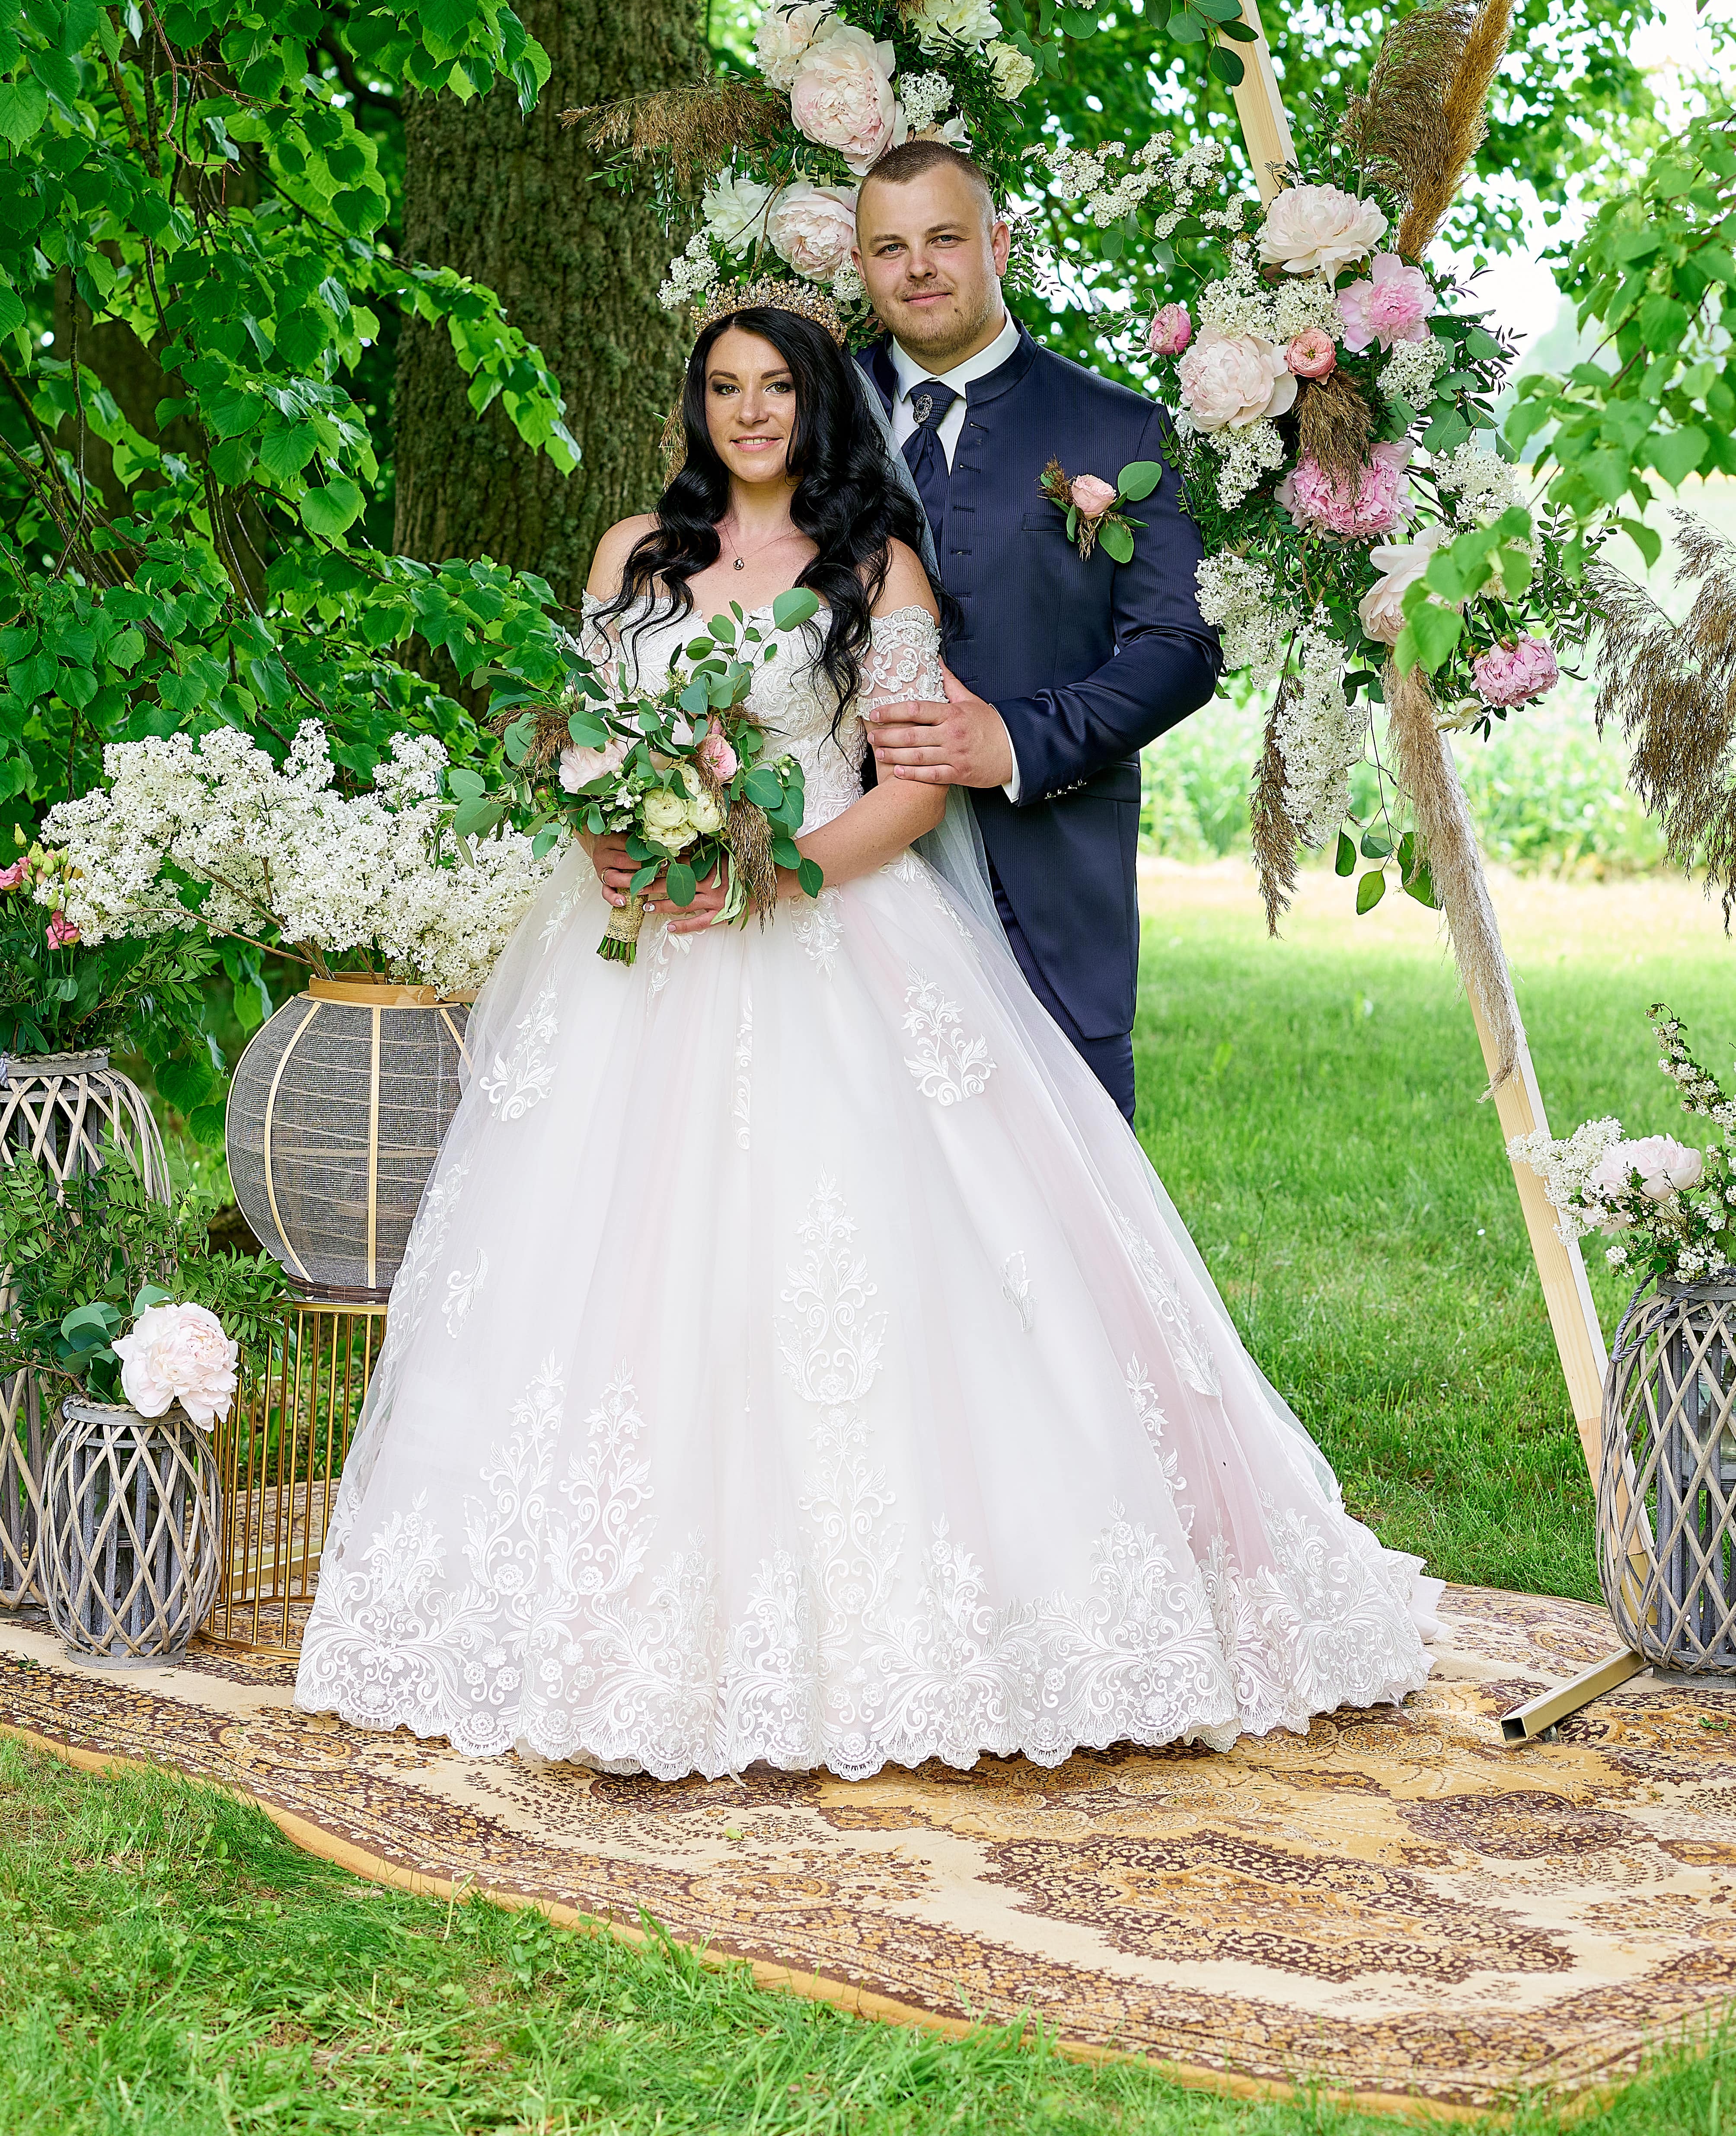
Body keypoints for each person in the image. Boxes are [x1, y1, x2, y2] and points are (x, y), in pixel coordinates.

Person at [294, 288, 1436, 1784]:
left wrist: (770, 873)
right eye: (724, 387)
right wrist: (609, 843)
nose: (750, 412)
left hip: (825, 926)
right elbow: (584, 747)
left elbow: (911, 787)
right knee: (612, 1262)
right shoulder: (634, 557)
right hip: (635, 956)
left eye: (776, 387)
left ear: (817, 402)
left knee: (859, 1262)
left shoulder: (875, 565)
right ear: (697, 407)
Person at [853, 139, 1217, 1121]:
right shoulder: (807, 418)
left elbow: (1180, 649)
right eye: (889, 247)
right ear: (860, 264)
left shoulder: (1121, 429)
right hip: (845, 873)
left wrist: (1013, 739)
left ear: (999, 244)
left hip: (1050, 873)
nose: (917, 268)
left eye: (943, 238)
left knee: (1075, 1173)